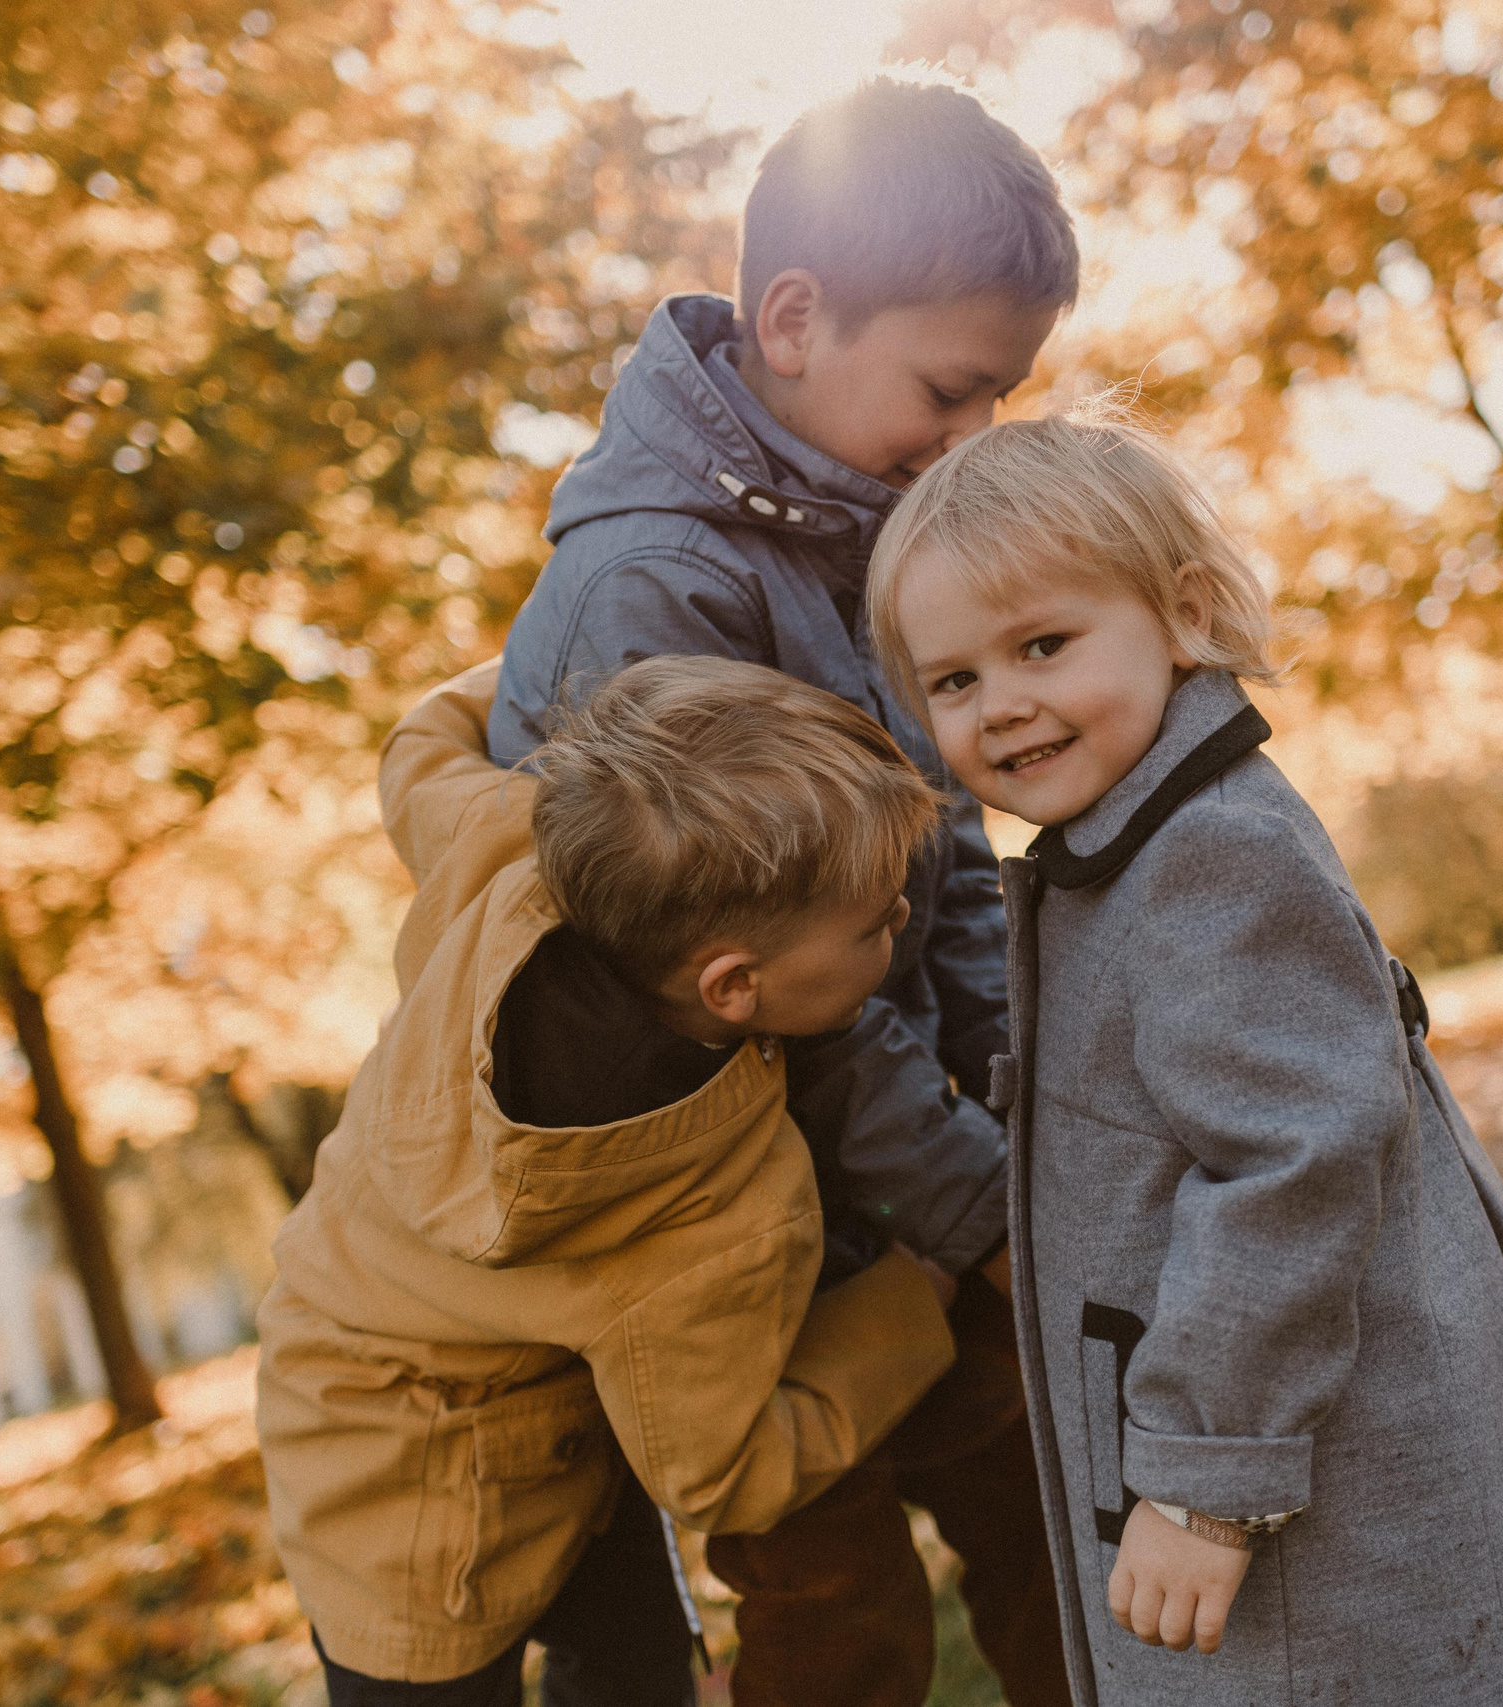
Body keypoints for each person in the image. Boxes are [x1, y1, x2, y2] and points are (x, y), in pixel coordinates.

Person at [866, 407, 1503, 1705]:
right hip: (1242, 1416)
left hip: (1302, 1446)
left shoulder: (1211, 855)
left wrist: (1202, 1481)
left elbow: (1294, 1167)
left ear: (1184, 615)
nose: (1004, 704)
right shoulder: (1122, 847)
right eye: (954, 680)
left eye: (1043, 645)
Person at [488, 76, 1080, 1707]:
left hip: (899, 1167)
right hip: (736, 1226)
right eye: (950, 389)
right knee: (835, 1605)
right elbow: (769, 989)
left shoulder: (857, 525)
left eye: (1000, 398)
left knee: (1054, 1518)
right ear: (798, 319)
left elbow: (942, 862)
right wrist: (980, 1209)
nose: (971, 436)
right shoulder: (655, 589)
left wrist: (1016, 1107)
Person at [257, 655, 963, 1706]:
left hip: (424, 1380)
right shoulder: (702, 1222)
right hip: (392, 1505)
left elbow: (416, 753)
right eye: (875, 924)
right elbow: (726, 1471)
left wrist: (516, 674)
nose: (902, 915)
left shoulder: (509, 840)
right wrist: (915, 1298)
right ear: (733, 987)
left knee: (634, 1669)